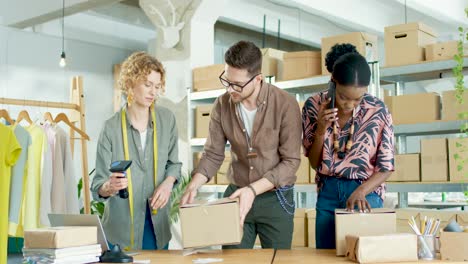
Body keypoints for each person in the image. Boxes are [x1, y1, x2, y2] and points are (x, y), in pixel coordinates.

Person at [181, 40, 302, 249]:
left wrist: (253, 190)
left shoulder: (285, 104)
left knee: (278, 260)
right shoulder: (222, 104)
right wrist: (194, 184)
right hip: (236, 194)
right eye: (226, 81)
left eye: (237, 85)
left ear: (258, 79)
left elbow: (291, 162)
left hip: (276, 198)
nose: (230, 89)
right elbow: (212, 154)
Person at [302, 44, 395, 249]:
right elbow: (314, 163)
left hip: (366, 193)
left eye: (358, 98)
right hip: (328, 191)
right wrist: (320, 129)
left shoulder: (377, 110)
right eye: (344, 97)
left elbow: (386, 166)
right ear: (333, 83)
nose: (350, 105)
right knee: (326, 258)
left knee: (365, 256)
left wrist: (362, 191)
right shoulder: (313, 106)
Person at [91, 51, 182, 250]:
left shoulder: (167, 120)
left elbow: (174, 165)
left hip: (157, 227)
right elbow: (97, 184)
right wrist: (109, 186)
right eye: (147, 84)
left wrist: (168, 184)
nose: (153, 92)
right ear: (131, 83)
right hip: (120, 231)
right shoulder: (111, 127)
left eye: (157, 86)